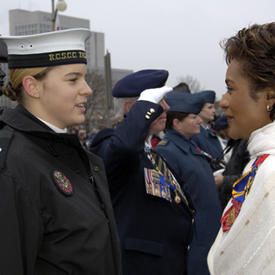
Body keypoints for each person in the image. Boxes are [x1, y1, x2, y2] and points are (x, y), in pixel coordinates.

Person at [0, 29, 121, 274]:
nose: (87, 89)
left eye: (84, 78)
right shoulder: (13, 163)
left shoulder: (73, 153)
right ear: (33, 87)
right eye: (73, 79)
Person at [94, 71, 194, 275]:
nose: (166, 108)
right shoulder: (109, 144)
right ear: (134, 108)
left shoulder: (152, 154)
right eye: (159, 102)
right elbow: (125, 147)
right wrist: (146, 105)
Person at [207, 22, 275, 274]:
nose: (223, 102)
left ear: (269, 96)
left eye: (230, 88)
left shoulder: (272, 174)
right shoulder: (261, 160)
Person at [157, 92, 221, 275]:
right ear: (176, 123)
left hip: (208, 237)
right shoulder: (166, 152)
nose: (199, 121)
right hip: (193, 242)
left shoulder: (190, 147)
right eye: (193, 117)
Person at [90, 69, 166, 157]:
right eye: (158, 101)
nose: (166, 107)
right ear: (130, 108)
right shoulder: (112, 146)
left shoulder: (149, 146)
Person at [192, 90, 223, 160]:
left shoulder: (210, 132)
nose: (214, 110)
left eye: (213, 107)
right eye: (210, 107)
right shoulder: (194, 134)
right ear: (198, 109)